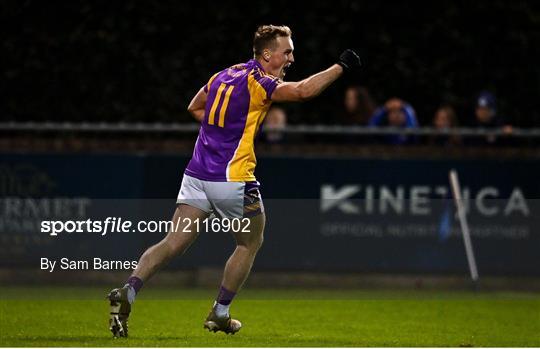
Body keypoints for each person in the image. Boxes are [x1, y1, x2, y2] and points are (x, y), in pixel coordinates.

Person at [106, 25, 361, 337]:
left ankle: (128, 291)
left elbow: (194, 107)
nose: (291, 57)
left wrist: (223, 129)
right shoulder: (259, 82)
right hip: (232, 180)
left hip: (197, 176)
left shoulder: (224, 74)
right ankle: (220, 312)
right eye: (287, 51)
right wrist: (341, 66)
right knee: (249, 243)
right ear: (268, 54)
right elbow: (302, 91)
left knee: (173, 242)